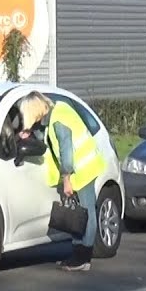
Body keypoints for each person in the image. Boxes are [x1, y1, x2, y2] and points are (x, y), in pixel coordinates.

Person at [17, 91, 106, 272]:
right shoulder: (57, 113)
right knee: (79, 213)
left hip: (83, 169)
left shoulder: (58, 121)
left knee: (85, 213)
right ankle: (78, 253)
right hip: (83, 167)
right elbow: (48, 140)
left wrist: (67, 178)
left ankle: (83, 257)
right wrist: (31, 133)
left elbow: (66, 152)